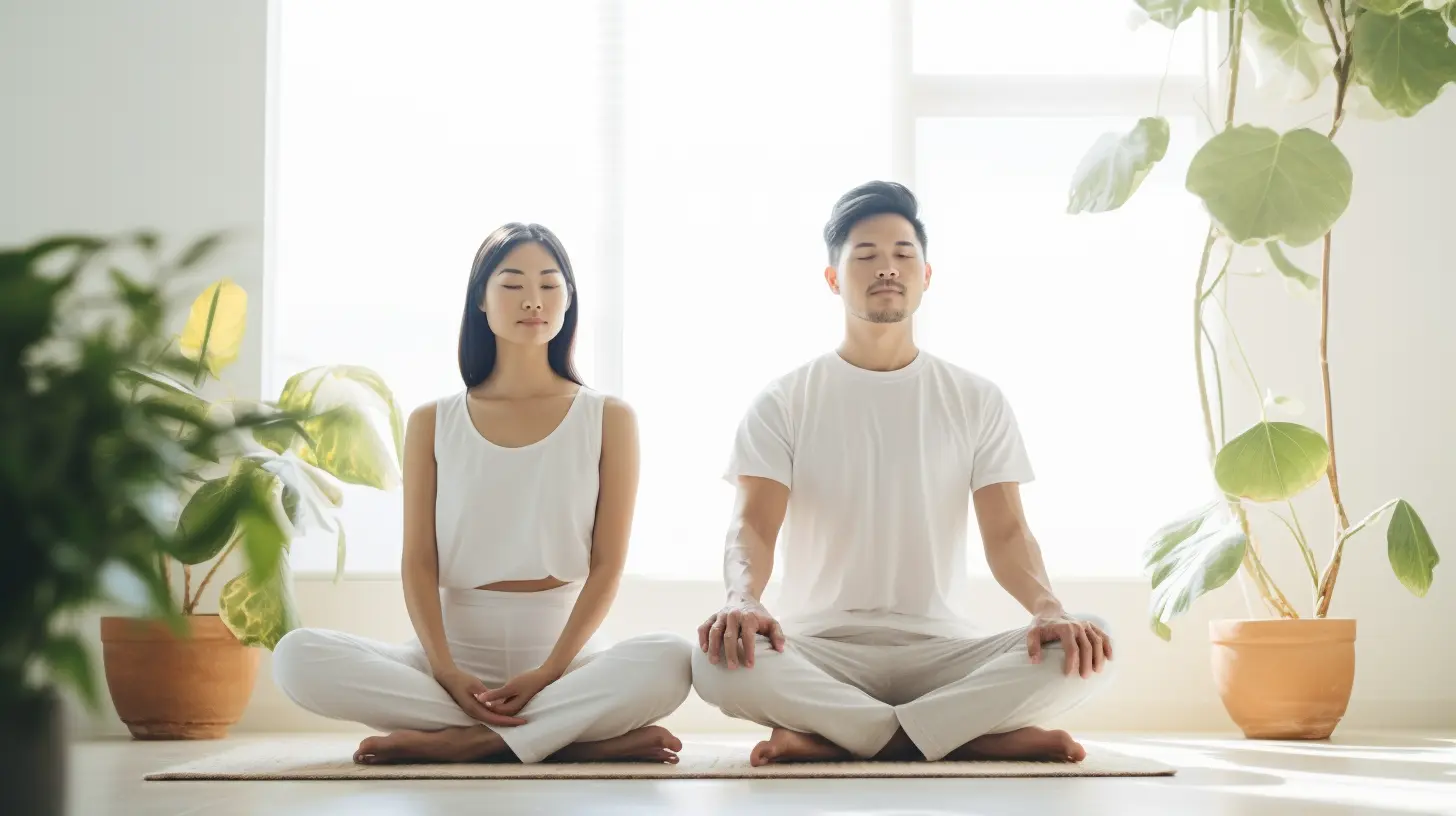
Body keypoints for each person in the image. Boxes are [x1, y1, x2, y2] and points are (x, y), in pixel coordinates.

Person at [690, 181, 1114, 767]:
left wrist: (1048, 608)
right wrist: (742, 598)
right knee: (711, 663)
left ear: (927, 274)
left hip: (941, 652)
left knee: (1093, 641)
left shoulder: (975, 398)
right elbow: (752, 528)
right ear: (834, 279)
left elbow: (1009, 533)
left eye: (902, 253)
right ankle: (960, 737)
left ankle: (842, 736)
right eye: (865, 255)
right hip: (818, 649)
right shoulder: (784, 399)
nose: (886, 267)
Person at [273, 222, 692, 765]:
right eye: (512, 284)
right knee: (296, 657)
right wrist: (445, 671)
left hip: (567, 659)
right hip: (453, 659)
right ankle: (567, 739)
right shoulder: (433, 420)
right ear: (481, 303)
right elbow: (419, 561)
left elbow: (608, 566)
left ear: (569, 301)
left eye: (550, 284)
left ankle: (475, 741)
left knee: (673, 659)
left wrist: (550, 672)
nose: (533, 300)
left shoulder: (608, 417)